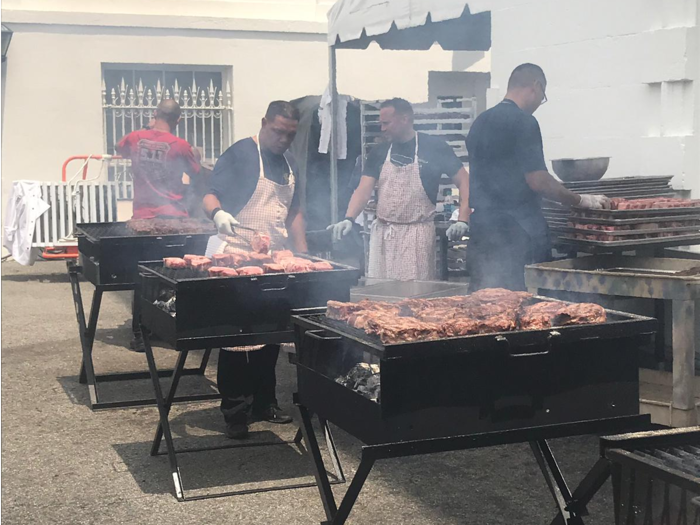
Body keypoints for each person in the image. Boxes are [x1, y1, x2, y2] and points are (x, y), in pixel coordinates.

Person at [203, 100, 306, 439]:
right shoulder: (242, 153)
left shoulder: (289, 164)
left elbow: (294, 214)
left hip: (273, 259)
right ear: (264, 123)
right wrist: (218, 214)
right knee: (237, 339)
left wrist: (303, 256)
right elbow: (210, 193)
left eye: (289, 135)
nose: (282, 140)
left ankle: (265, 403)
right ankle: (235, 412)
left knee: (270, 334)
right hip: (235, 255)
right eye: (277, 132)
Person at [466, 63, 610, 291]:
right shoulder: (524, 122)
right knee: (525, 306)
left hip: (482, 231)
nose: (540, 103)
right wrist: (580, 200)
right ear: (536, 86)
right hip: (517, 234)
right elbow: (538, 180)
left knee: (483, 302)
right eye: (543, 95)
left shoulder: (479, 123)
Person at [328, 98, 471, 281]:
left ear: (404, 119)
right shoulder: (379, 152)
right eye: (381, 124)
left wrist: (463, 219)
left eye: (386, 123)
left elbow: (465, 182)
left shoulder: (434, 147)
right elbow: (363, 190)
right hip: (383, 236)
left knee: (414, 298)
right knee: (380, 298)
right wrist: (348, 218)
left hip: (417, 236)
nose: (382, 129)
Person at [116, 99, 209, 219]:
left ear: (155, 114)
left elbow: (118, 146)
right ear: (178, 120)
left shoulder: (135, 137)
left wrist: (146, 127)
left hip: (142, 217)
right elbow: (197, 175)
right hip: (174, 216)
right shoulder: (182, 146)